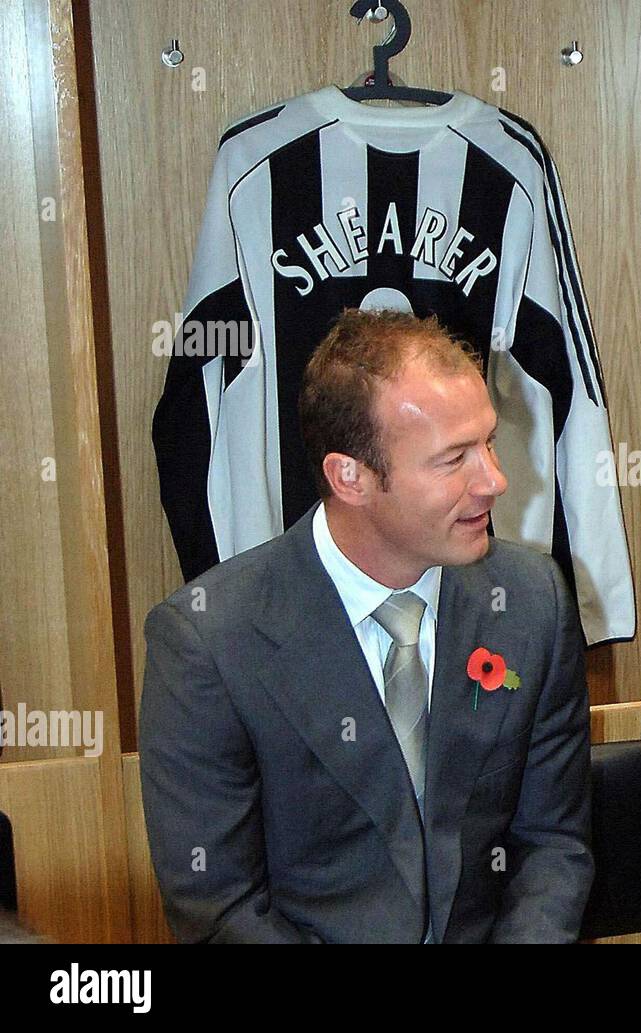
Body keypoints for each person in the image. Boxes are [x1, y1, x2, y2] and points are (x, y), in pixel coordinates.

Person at [140, 309, 592, 943]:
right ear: (349, 476)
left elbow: (553, 845)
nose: (494, 479)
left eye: (488, 442)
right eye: (453, 458)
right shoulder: (208, 643)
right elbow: (217, 905)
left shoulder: (532, 601)